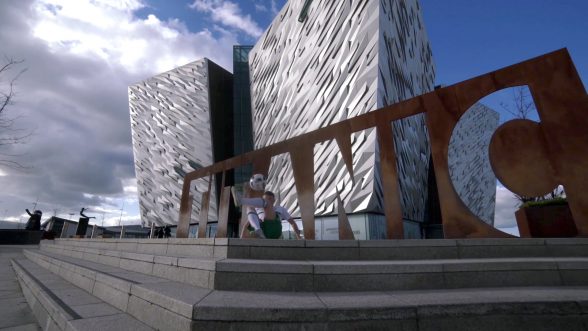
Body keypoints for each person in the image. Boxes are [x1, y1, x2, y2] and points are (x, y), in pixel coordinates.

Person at [232, 188, 301, 239]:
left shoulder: (280, 209)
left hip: (274, 228)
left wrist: (298, 237)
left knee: (266, 205)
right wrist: (241, 236)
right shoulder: (257, 209)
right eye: (265, 199)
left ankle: (242, 200)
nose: (268, 201)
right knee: (250, 207)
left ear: (274, 200)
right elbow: (247, 223)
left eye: (270, 199)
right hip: (262, 228)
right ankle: (258, 230)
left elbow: (292, 223)